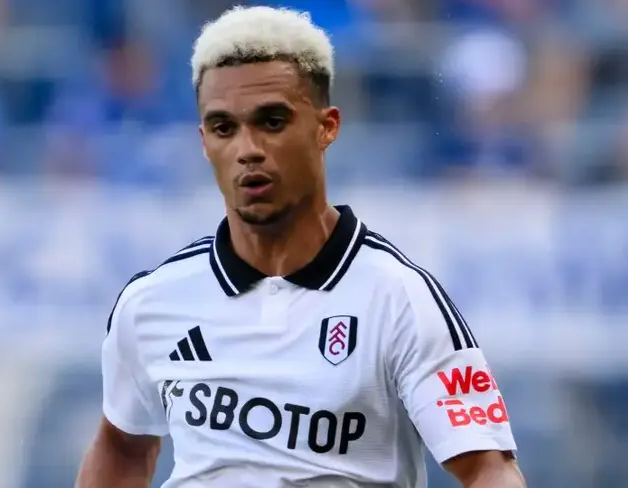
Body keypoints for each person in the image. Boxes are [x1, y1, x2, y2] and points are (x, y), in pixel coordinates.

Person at [75, 6, 525, 488]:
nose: (248, 149)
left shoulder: (399, 299)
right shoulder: (151, 301)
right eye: (224, 128)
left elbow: (488, 468)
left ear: (326, 127)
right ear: (204, 142)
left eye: (271, 121)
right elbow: (122, 445)